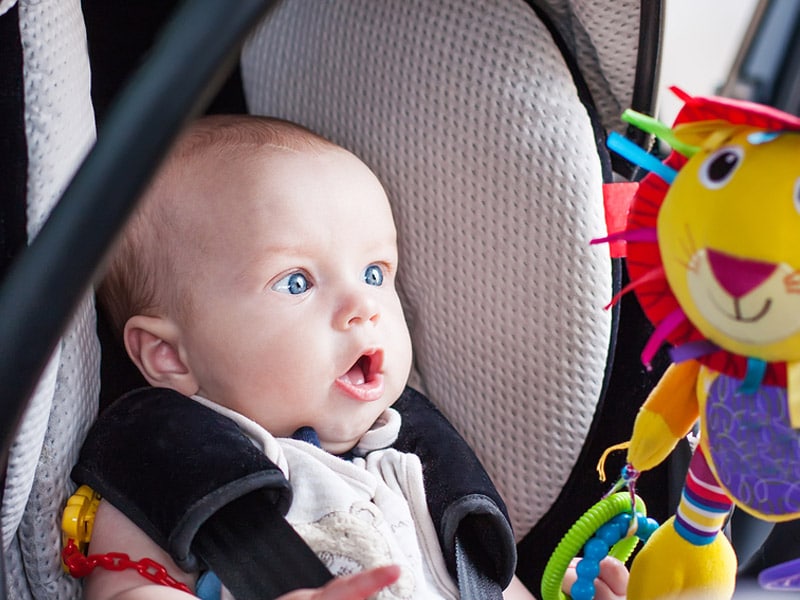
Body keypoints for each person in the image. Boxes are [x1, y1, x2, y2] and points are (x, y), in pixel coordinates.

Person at [80, 114, 627, 600]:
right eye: (296, 282)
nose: (363, 307)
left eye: (374, 273)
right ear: (169, 355)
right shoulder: (168, 471)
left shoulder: (420, 470)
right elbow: (125, 587)